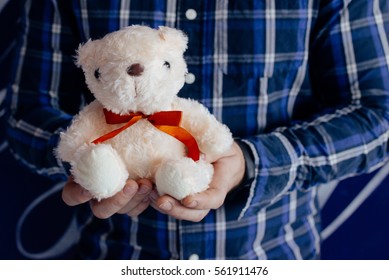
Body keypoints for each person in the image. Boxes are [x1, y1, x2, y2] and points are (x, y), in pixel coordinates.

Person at [5, 0, 389, 260]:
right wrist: (86, 162)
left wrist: (251, 162)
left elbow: (378, 113)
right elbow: (27, 111)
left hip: (271, 253)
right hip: (115, 255)